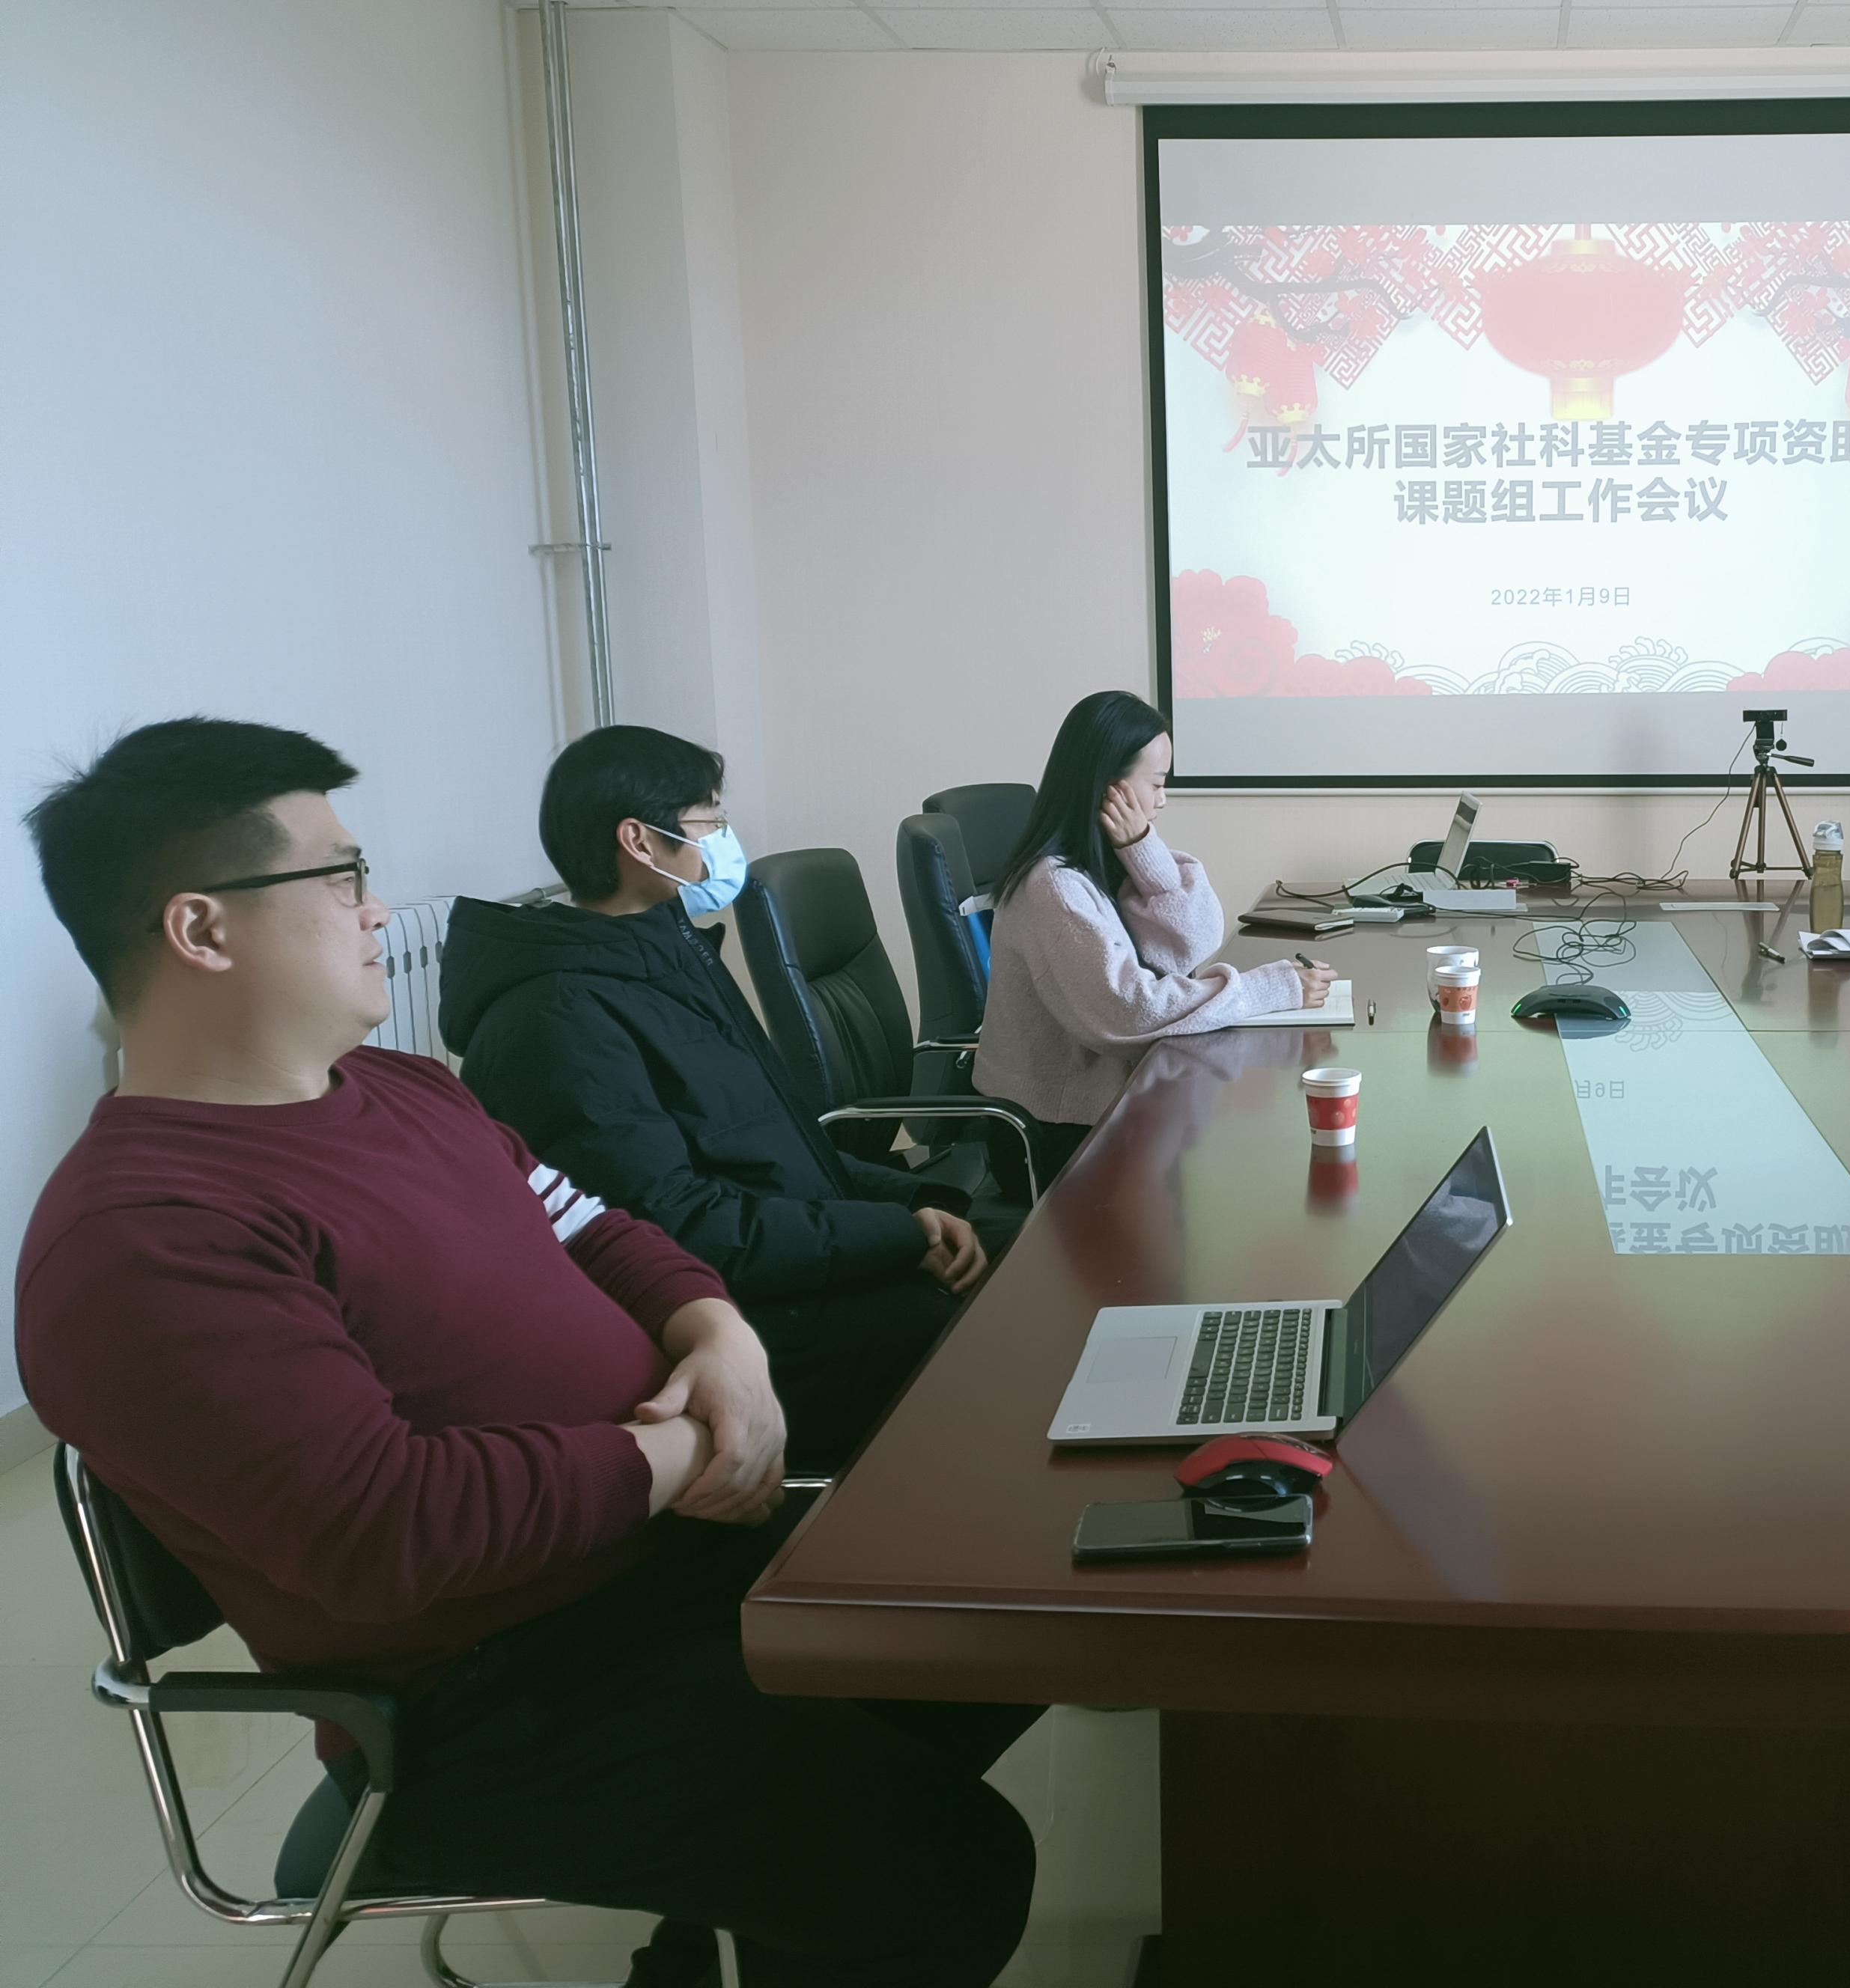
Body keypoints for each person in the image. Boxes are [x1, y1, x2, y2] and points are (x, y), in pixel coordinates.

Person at [15, 719, 1035, 1988]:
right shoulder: (145, 1238)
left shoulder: (404, 1093)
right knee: (947, 1876)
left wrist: (714, 1331)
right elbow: (385, 1528)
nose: (375, 906)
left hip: (653, 1576)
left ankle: (750, 1922)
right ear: (202, 930)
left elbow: (599, 1228)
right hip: (488, 1701)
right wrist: (685, 1451)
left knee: (1003, 1633)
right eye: (340, 876)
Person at [443, 726, 992, 1471]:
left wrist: (914, 1205)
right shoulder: (559, 1018)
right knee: (984, 1335)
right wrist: (897, 1236)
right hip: (725, 1329)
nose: (724, 838)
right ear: (639, 841)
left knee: (1005, 1261)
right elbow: (678, 1229)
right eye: (708, 819)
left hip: (779, 1271)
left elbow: (782, 1149)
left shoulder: (667, 951)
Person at [974, 691, 1330, 1188]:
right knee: (1251, 1157)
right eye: (1158, 783)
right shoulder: (1052, 887)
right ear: (1109, 788)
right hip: (1054, 1135)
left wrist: (1141, 849)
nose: (1163, 799)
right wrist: (1269, 989)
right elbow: (1130, 1010)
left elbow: (1195, 941)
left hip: (1104, 1107)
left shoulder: (1100, 863)